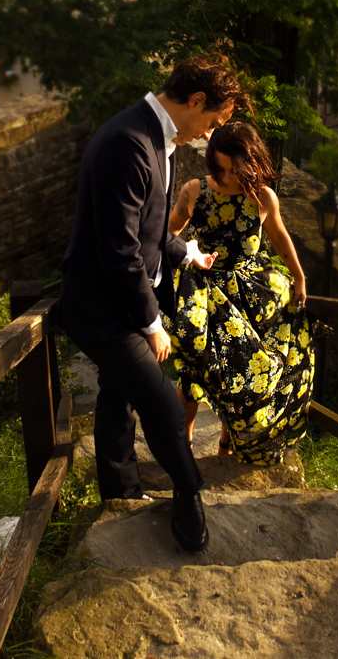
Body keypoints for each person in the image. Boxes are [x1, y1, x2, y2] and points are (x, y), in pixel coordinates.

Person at [56, 53, 250, 554]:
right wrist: (151, 324)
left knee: (117, 396)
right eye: (211, 121)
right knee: (161, 401)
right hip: (102, 305)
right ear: (196, 101)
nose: (209, 134)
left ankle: (120, 492)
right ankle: (189, 492)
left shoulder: (155, 138)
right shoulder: (128, 142)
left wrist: (186, 252)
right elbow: (118, 249)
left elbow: (147, 230)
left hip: (122, 294)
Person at [167, 121, 316, 466]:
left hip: (252, 296)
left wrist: (299, 276)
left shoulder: (262, 196)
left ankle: (228, 443)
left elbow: (278, 237)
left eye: (237, 169)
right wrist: (186, 258)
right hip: (204, 295)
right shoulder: (194, 191)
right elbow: (167, 236)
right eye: (221, 169)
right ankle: (182, 445)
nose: (230, 176)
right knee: (192, 371)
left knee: (242, 375)